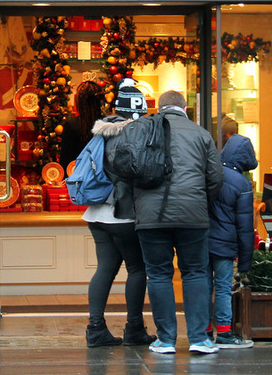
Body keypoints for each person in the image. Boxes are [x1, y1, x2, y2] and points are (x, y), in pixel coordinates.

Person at [131, 90, 224, 355]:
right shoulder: (201, 134)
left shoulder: (142, 130)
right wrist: (200, 202)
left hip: (151, 217)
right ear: (185, 108)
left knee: (159, 274)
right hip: (192, 216)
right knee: (195, 272)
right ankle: (198, 338)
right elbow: (215, 178)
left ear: (159, 108)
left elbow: (128, 171)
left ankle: (166, 339)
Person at [83, 80, 156, 348]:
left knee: (105, 268)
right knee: (138, 268)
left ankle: (95, 328)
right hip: (122, 213)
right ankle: (134, 328)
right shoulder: (135, 134)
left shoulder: (100, 132)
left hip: (96, 213)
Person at [205, 120, 256, 349]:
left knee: (202, 285)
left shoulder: (208, 172)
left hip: (201, 239)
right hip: (225, 244)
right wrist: (246, 262)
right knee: (223, 286)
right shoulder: (241, 183)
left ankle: (204, 331)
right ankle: (224, 332)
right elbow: (245, 228)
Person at [59, 81, 105, 169]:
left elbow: (66, 161)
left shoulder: (71, 125)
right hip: (103, 178)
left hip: (77, 176)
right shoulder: (107, 124)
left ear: (79, 101)